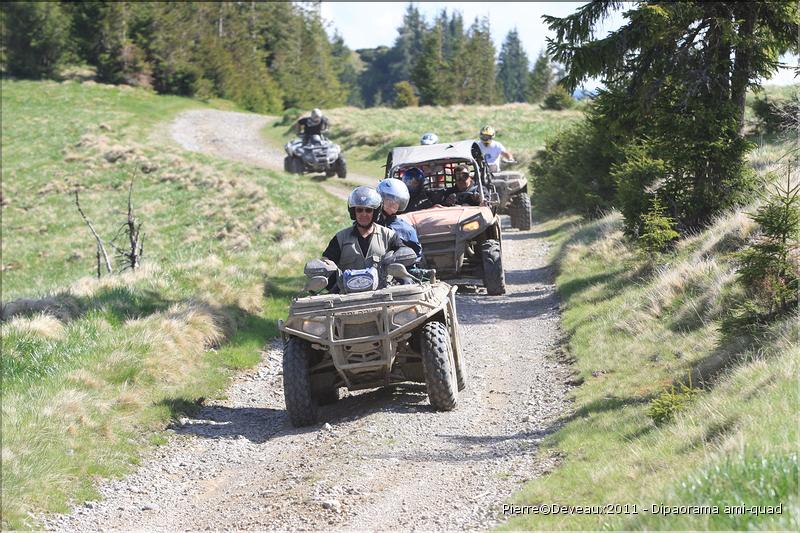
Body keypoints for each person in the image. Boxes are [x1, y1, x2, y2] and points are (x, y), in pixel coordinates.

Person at [322, 186, 404, 282]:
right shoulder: (340, 238)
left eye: (368, 210)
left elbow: (405, 255)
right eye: (359, 210)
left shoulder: (389, 236)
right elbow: (326, 265)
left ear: (375, 212)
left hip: (383, 292)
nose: (364, 214)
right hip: (348, 294)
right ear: (353, 212)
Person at [376, 178, 423, 263]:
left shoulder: (407, 230)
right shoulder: (368, 224)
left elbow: (416, 258)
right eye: (389, 199)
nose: (392, 203)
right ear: (380, 198)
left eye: (397, 201)